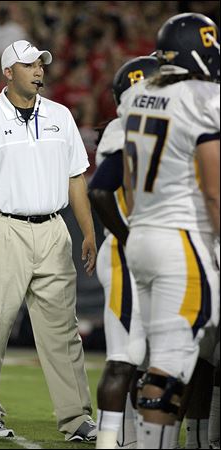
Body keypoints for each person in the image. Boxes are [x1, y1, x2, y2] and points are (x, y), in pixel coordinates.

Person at [0, 39, 98, 441]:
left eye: (41, 64)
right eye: (29, 64)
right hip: (2, 229)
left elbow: (76, 178)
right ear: (8, 72)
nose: (38, 71)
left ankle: (77, 418)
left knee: (62, 331)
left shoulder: (61, 116)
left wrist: (87, 230)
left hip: (53, 229)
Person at [117, 13, 220, 449]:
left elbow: (126, 179)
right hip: (182, 239)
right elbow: (215, 191)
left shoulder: (138, 93)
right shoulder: (204, 98)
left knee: (159, 359)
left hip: (141, 235)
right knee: (175, 363)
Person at [88, 56, 160, 449]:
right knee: (127, 355)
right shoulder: (124, 126)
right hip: (126, 250)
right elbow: (99, 190)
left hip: (153, 249)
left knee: (153, 359)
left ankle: (134, 441)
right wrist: (131, 237)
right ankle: (111, 441)